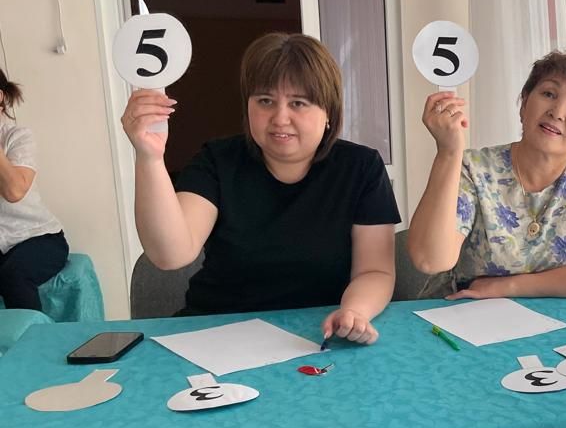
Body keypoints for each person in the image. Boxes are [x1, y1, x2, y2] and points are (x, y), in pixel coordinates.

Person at [121, 33, 399, 342]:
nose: (280, 118)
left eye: (298, 103)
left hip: (318, 333)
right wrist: (149, 157)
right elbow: (170, 254)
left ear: (329, 113)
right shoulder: (217, 160)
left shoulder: (361, 167)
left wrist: (355, 312)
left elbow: (375, 271)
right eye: (266, 101)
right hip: (217, 334)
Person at [407, 48, 566, 298]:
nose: (557, 112)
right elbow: (430, 260)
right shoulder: (474, 167)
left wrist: (506, 287)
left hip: (551, 316)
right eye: (548, 94)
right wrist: (448, 152)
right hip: (464, 308)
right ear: (524, 104)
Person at [0, 69, 68, 311]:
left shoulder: (18, 137)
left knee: (13, 275)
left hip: (38, 238)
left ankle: (31, 336)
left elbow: (15, 191)